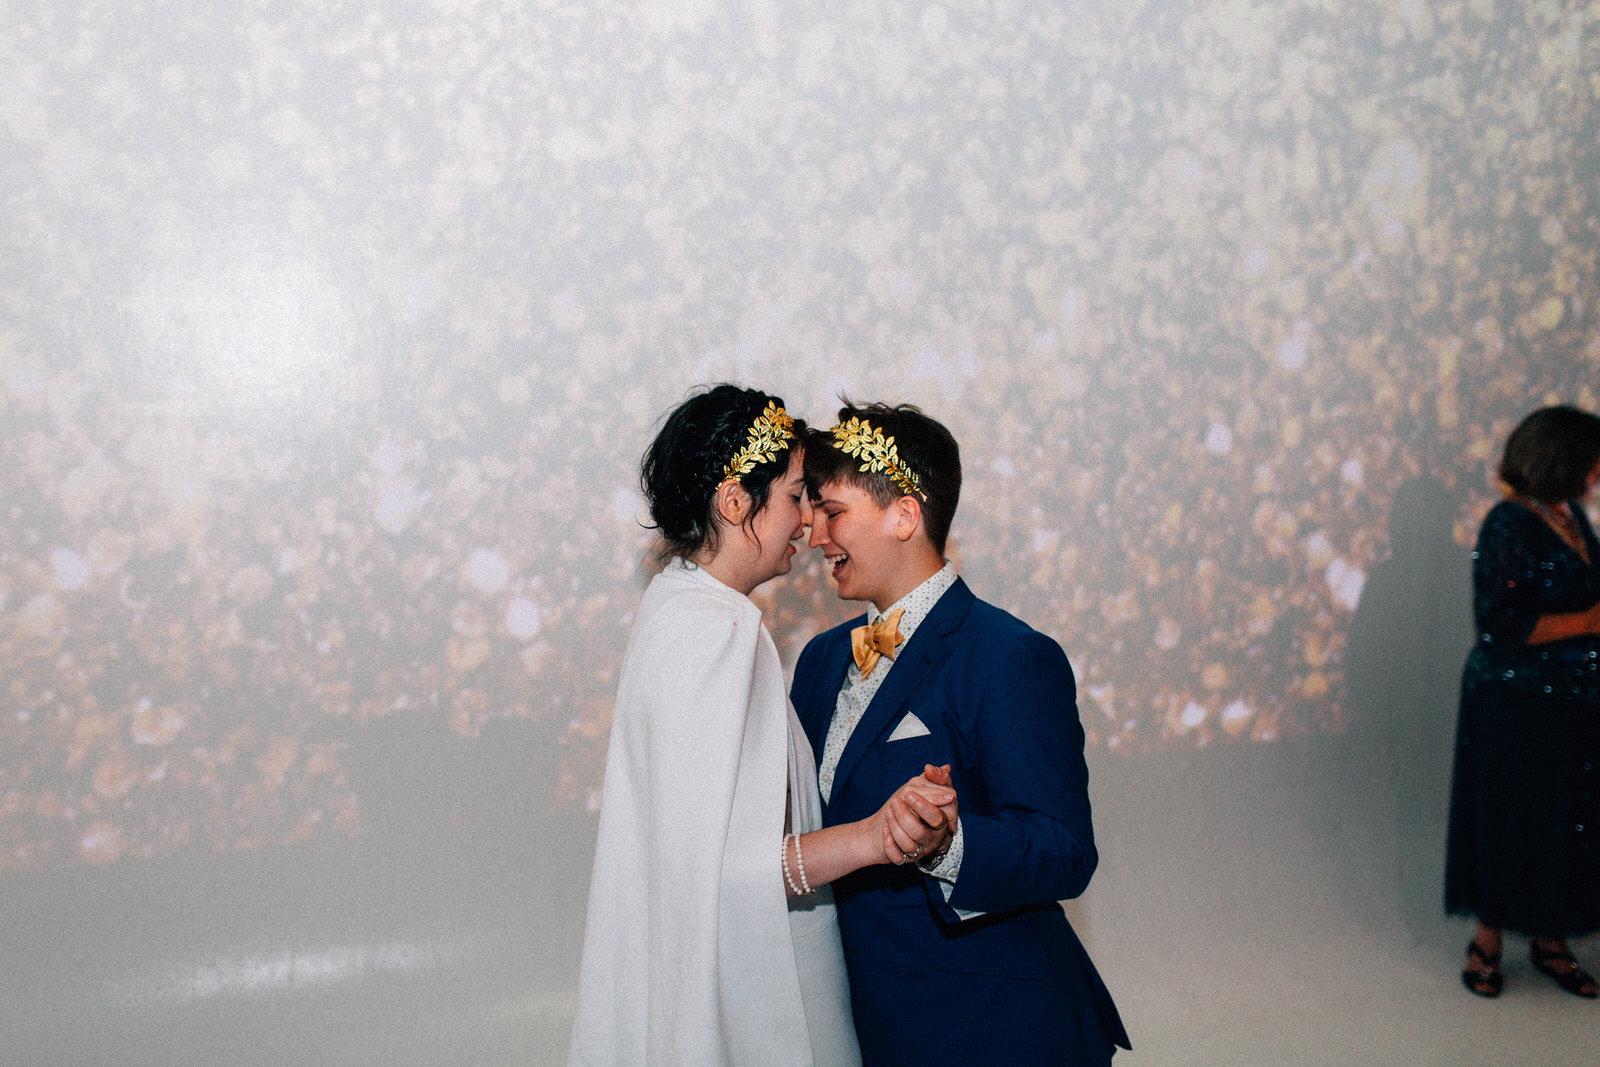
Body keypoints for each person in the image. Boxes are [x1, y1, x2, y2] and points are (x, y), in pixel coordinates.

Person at [568, 385, 957, 1066]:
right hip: (745, 1004)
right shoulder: (716, 630)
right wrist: (876, 835)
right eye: (796, 496)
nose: (808, 523)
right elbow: (738, 871)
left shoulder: (676, 611)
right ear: (735, 502)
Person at [790, 402, 1130, 1066]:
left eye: (833, 512)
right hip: (867, 1027)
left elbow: (1065, 849)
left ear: (905, 515)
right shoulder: (820, 660)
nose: (814, 535)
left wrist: (950, 843)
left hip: (996, 1030)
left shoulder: (1008, 655)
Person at [1446, 404, 1600, 999]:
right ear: (1561, 460)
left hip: (1571, 700)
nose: (1595, 469)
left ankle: (1550, 939)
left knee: (1565, 817)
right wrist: (1586, 621)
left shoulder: (1573, 516)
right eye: (1590, 458)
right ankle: (1487, 941)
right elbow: (1500, 624)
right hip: (1512, 703)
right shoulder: (1507, 524)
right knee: (1509, 817)